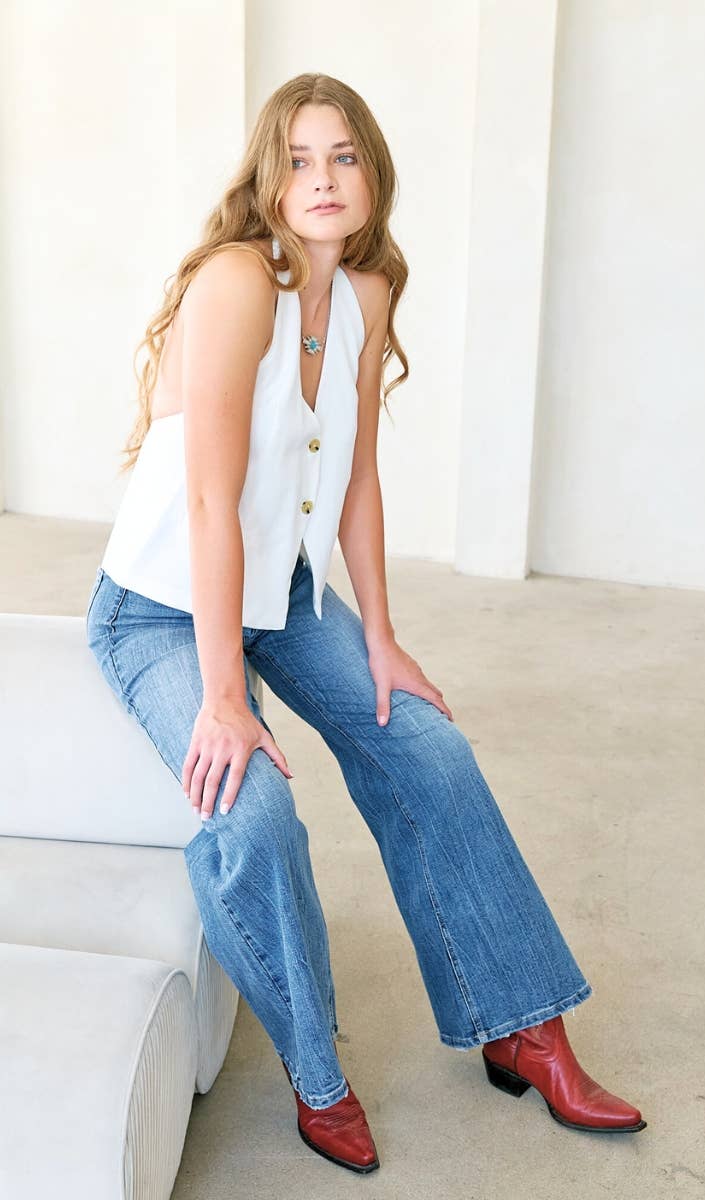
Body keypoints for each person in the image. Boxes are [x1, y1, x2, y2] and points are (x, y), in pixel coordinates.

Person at [85, 72, 646, 1176]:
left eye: (343, 156)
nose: (323, 178)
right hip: (163, 612)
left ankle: (525, 1029)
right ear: (268, 179)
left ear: (373, 174)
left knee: (427, 745)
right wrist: (226, 697)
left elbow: (356, 482)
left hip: (283, 596)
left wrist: (381, 636)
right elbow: (208, 504)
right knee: (254, 815)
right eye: (298, 159)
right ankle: (317, 1073)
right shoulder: (235, 281)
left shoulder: (367, 289)